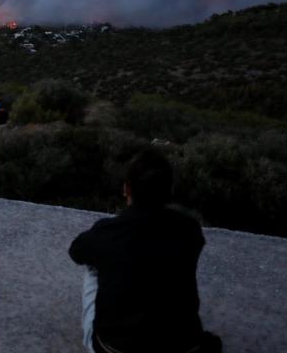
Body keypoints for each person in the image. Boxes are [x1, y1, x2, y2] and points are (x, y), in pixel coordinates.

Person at [68, 148, 221, 353]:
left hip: (116, 348)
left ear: (126, 189)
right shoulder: (189, 229)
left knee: (92, 265)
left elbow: (76, 252)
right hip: (184, 347)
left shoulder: (108, 231)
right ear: (169, 191)